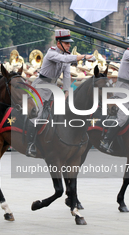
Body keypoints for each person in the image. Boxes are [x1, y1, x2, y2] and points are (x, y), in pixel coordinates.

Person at [27, 29, 94, 157]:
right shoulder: (51, 53)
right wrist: (84, 57)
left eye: (69, 43)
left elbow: (67, 75)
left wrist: (67, 91)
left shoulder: (65, 54)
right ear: (59, 43)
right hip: (41, 86)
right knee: (37, 114)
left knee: (64, 112)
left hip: (53, 87)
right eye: (66, 43)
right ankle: (31, 144)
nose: (69, 45)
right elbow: (64, 58)